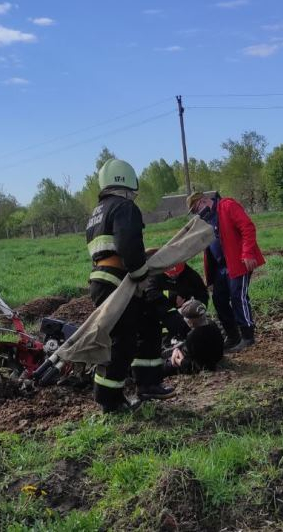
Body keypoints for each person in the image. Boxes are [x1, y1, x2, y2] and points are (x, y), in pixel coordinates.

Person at [86, 158, 175, 413]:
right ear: (127, 182)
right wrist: (140, 272)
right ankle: (110, 401)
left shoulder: (98, 212)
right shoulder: (124, 207)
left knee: (147, 323)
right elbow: (128, 243)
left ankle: (148, 383)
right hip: (118, 280)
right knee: (121, 340)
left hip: (106, 280)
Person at [187, 191, 265, 352]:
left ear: (203, 201)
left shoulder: (227, 206)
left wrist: (248, 253)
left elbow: (247, 227)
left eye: (196, 209)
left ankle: (247, 335)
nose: (196, 214)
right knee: (219, 299)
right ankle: (232, 335)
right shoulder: (206, 220)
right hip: (221, 267)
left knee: (238, 296)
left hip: (238, 261)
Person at [145, 259, 209, 343]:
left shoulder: (190, 274)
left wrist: (199, 308)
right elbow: (150, 293)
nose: (174, 275)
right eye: (171, 274)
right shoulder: (156, 275)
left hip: (186, 310)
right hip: (165, 309)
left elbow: (203, 293)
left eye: (177, 273)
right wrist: (172, 296)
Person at [161, 298, 224, 377]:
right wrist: (177, 349)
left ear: (189, 321)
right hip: (214, 358)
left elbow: (197, 366)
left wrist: (180, 360)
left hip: (193, 365)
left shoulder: (193, 337)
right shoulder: (212, 325)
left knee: (159, 367)